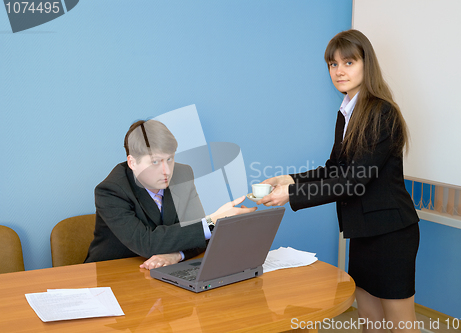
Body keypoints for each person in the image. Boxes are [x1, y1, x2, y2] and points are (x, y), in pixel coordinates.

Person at [258, 30, 420, 333]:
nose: (339, 71)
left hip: (392, 233)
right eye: (333, 65)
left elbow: (353, 180)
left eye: (348, 62)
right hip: (362, 231)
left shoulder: (381, 112)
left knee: (401, 324)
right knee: (369, 318)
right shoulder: (348, 111)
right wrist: (289, 178)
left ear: (365, 64)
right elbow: (335, 167)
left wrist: (291, 194)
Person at [85, 119, 256, 269]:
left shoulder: (183, 175)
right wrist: (212, 221)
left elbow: (198, 235)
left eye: (170, 159)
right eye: (155, 162)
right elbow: (147, 243)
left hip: (160, 272)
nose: (166, 171)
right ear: (132, 162)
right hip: (113, 274)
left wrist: (177, 255)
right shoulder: (111, 190)